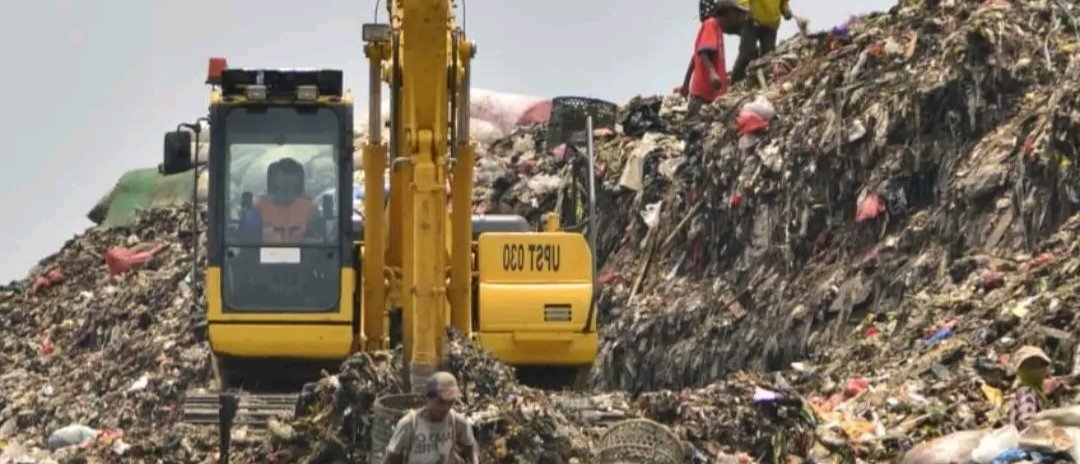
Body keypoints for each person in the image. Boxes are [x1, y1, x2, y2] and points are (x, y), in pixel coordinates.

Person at [384, 372, 479, 464]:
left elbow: (470, 446)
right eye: (441, 402)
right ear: (428, 398)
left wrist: (474, 461)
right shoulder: (409, 424)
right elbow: (391, 459)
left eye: (450, 402)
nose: (445, 408)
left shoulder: (457, 422)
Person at [679, 0, 748, 118]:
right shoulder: (711, 24)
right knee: (692, 126)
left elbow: (695, 57)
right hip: (703, 94)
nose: (735, 20)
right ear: (728, 13)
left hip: (709, 93)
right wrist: (712, 74)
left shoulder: (716, 29)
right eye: (735, 15)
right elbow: (703, 53)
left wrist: (685, 84)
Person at [242, 157, 322, 243]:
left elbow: (317, 238)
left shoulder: (310, 208)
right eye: (283, 178)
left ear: (297, 180)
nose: (286, 181)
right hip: (266, 254)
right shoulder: (259, 206)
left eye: (290, 177)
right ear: (275, 179)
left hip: (303, 254)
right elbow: (249, 239)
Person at [729, 0, 806, 84]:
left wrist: (785, 10)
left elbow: (783, 3)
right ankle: (734, 84)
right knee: (746, 53)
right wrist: (745, 9)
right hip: (752, 20)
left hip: (771, 24)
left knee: (767, 58)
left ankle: (759, 84)